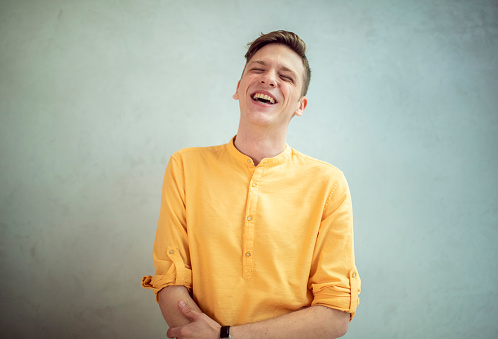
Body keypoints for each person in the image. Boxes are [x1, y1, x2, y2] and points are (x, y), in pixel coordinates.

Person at [142, 30, 361, 339]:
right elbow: (170, 279)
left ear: (301, 105)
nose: (269, 79)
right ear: (238, 88)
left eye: (286, 76)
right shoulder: (185, 166)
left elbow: (336, 314)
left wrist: (226, 336)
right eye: (258, 69)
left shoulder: (329, 184)